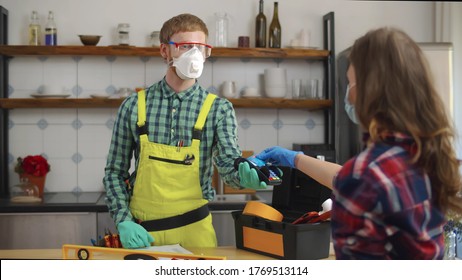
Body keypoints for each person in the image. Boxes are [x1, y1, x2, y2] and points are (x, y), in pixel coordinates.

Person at [255, 27, 462, 259]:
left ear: (370, 91)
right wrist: (295, 159)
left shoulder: (363, 175)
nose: (348, 95)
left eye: (350, 84)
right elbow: (358, 178)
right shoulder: (426, 156)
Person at [103, 13, 263, 249]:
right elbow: (115, 172)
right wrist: (123, 220)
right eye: (185, 46)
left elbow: (228, 167)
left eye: (201, 47)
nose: (194, 55)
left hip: (195, 235)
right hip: (143, 236)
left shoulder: (218, 109)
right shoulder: (134, 105)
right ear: (164, 51)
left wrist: (245, 175)